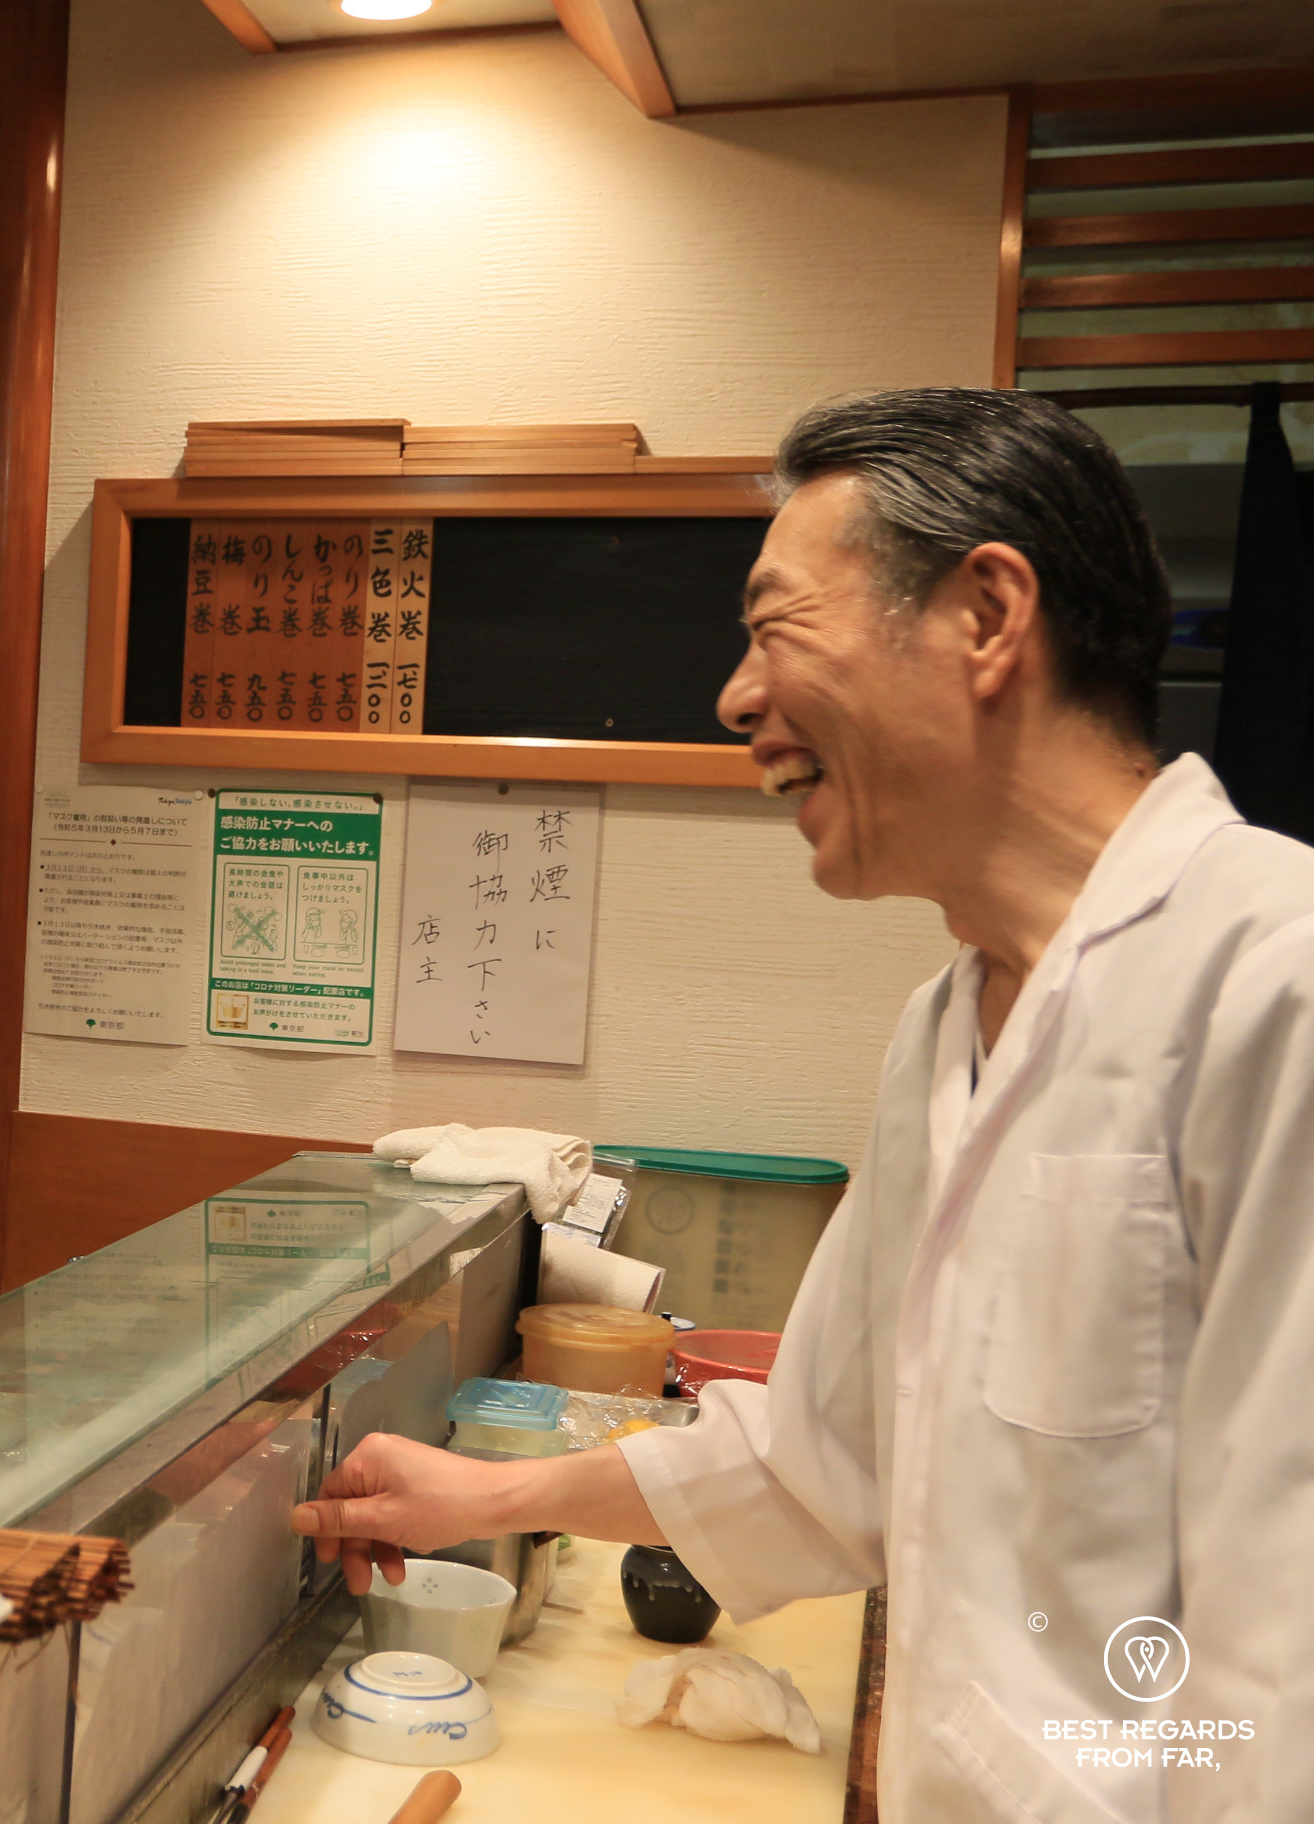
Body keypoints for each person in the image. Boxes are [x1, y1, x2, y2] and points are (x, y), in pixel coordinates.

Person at [293, 388, 1314, 1822]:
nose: (736, 698)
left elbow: (1291, 1661)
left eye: (777, 628)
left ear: (986, 614)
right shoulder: (939, 1029)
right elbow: (828, 1456)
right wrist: (489, 1498)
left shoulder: (1277, 979)